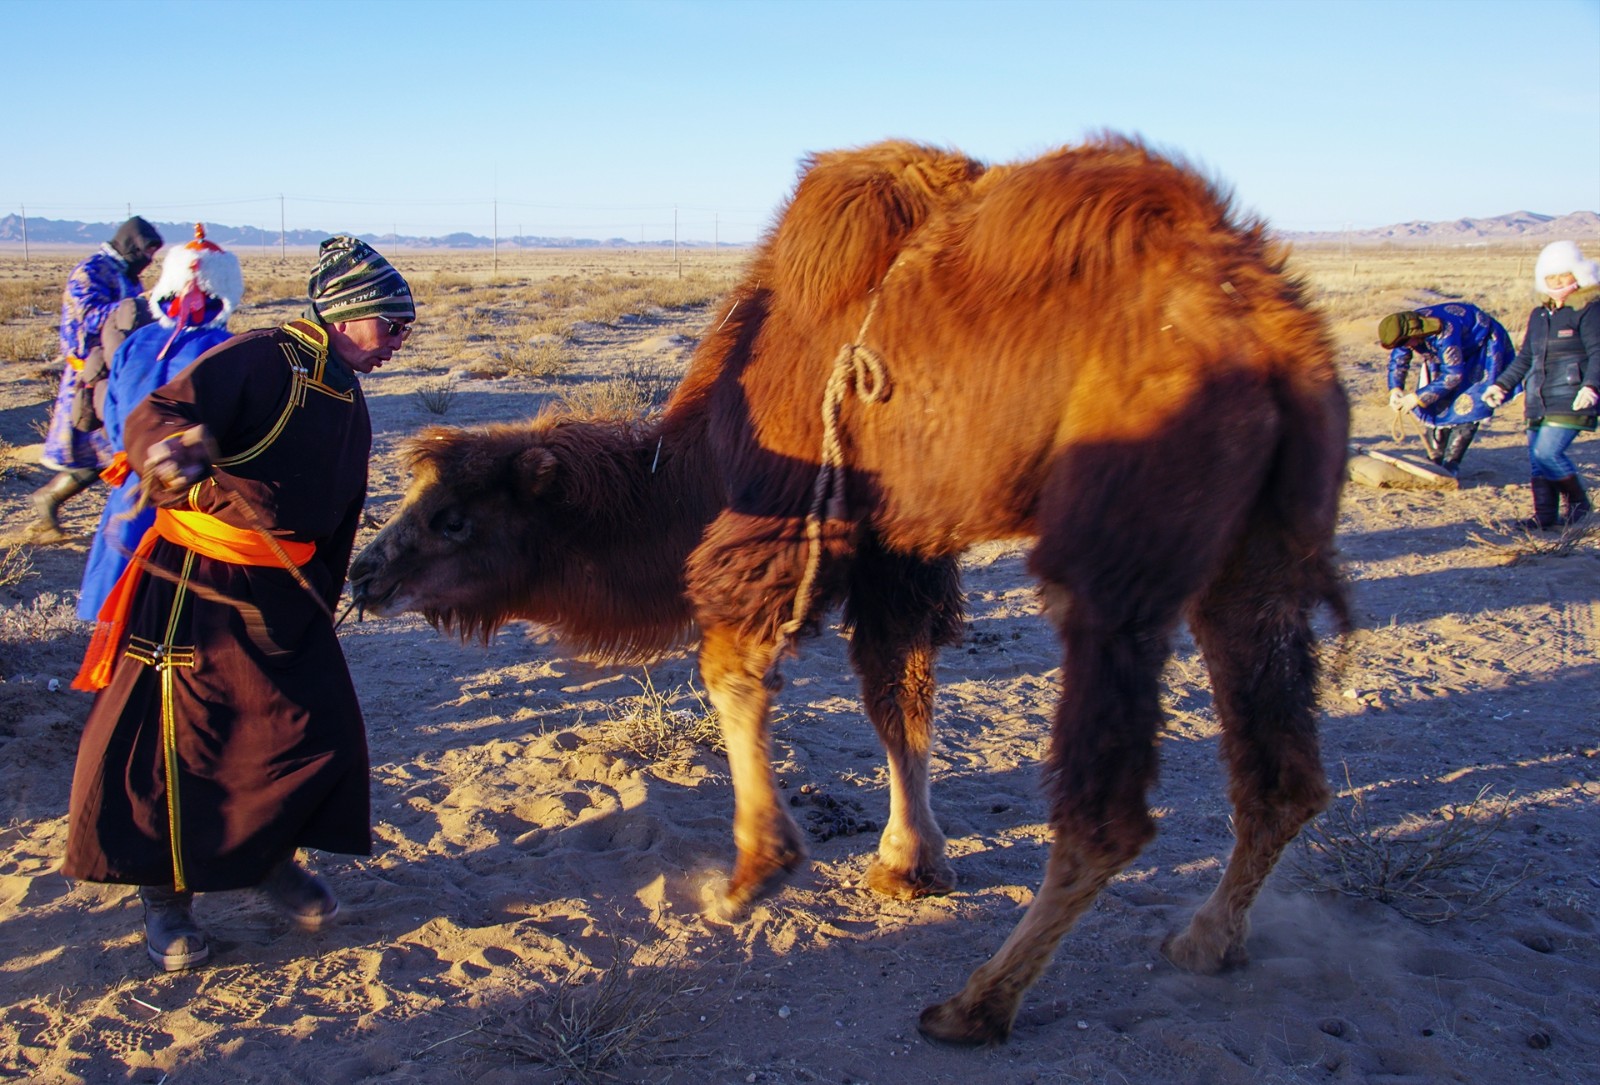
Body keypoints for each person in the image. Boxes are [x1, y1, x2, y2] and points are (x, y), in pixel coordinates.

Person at [63, 235, 415, 972]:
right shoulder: (263, 356)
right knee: (181, 744)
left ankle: (263, 856)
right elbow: (163, 410)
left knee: (308, 731)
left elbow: (336, 513)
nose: (400, 341)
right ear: (347, 315)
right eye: (391, 323)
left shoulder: (343, 390)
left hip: (284, 596)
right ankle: (166, 908)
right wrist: (171, 451)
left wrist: (322, 597)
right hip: (199, 586)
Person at [76, 225, 243, 620]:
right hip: (186, 499)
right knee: (173, 607)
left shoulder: (136, 342)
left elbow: (116, 416)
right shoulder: (225, 350)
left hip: (131, 486)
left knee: (122, 597)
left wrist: (128, 455)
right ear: (226, 291)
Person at [31, 217, 164, 541]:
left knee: (113, 449)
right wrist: (136, 306)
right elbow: (88, 316)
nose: (148, 259)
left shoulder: (125, 275)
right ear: (131, 244)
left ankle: (56, 500)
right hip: (89, 375)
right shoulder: (90, 271)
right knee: (106, 450)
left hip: (116, 372)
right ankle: (49, 498)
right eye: (146, 250)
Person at [1482, 240, 1600, 530]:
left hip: (1572, 396)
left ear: (1578, 274)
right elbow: (1525, 359)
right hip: (1537, 396)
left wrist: (1592, 386)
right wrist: (1501, 385)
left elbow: (1599, 351)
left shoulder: (1589, 310)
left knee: (1547, 453)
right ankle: (1544, 517)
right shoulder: (1539, 315)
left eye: (1564, 275)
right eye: (1551, 277)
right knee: (1537, 461)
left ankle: (1580, 505)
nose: (1558, 282)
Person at [1378, 302, 1515, 476]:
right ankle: (1434, 460)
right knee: (1437, 404)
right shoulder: (1404, 335)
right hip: (1446, 357)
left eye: (1405, 342)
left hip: (1480, 348)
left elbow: (1453, 376)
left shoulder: (1445, 331)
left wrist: (1415, 398)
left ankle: (1451, 465)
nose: (1405, 346)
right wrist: (1395, 388)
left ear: (1416, 333)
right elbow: (1398, 361)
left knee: (1468, 404)